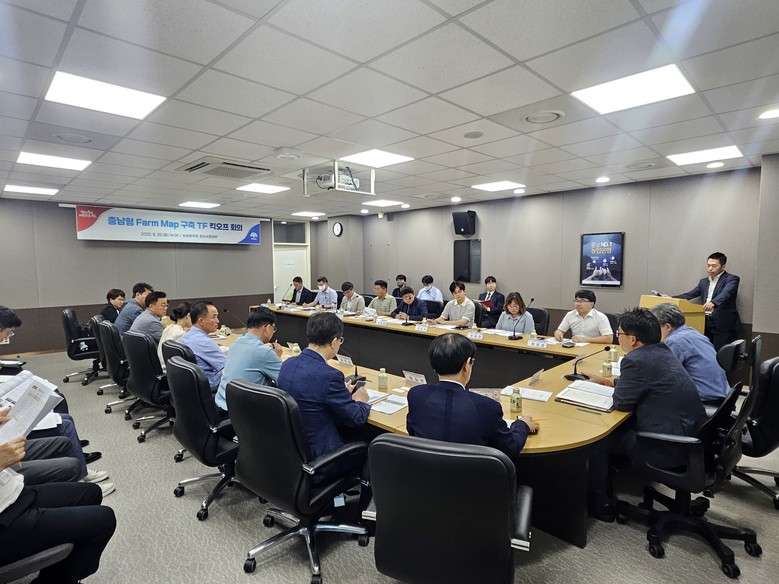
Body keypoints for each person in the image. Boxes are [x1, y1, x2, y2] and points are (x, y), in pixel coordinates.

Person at [585, 308, 706, 521]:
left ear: (632, 339)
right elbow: (647, 381)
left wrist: (615, 387)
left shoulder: (636, 360)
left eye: (619, 333)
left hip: (667, 448)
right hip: (691, 437)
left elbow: (622, 404)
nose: (617, 337)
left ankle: (600, 504)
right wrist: (608, 381)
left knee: (597, 441)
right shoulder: (661, 351)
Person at [406, 333, 539, 467]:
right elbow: (510, 449)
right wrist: (522, 425)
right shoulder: (487, 407)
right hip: (471, 478)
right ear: (467, 365)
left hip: (424, 474)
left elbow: (412, 431)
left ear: (433, 365)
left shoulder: (416, 395)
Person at [0, 437, 117, 584]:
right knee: (104, 521)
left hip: (12, 495)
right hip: (6, 519)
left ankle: (55, 576)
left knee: (91, 493)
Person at [276, 313, 370, 469]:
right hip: (321, 458)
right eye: (340, 340)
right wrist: (360, 400)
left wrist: (342, 393)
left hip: (292, 451)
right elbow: (356, 418)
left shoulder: (288, 364)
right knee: (369, 443)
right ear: (334, 342)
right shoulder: (330, 376)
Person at [650, 303, 730, 407]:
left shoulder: (675, 341)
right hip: (723, 398)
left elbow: (662, 376)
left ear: (668, 327)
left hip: (705, 401)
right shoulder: (693, 333)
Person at [216, 308, 283, 416]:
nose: (273, 332)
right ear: (267, 327)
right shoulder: (264, 352)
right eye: (273, 328)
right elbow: (285, 380)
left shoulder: (235, 343)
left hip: (221, 403)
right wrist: (277, 357)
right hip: (242, 414)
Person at [671, 252, 741, 350]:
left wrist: (713, 303)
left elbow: (726, 293)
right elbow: (690, 294)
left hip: (723, 323)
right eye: (708, 266)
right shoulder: (704, 281)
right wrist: (671, 298)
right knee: (705, 349)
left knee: (721, 352)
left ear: (723, 266)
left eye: (714, 266)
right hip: (704, 320)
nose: (710, 269)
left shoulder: (732, 279)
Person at [179, 302, 226, 390]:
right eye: (214, 317)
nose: (218, 321)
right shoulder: (204, 342)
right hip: (211, 385)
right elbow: (227, 366)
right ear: (201, 321)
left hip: (192, 386)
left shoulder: (186, 336)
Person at [157, 301, 191, 368]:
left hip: (163, 366)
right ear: (188, 316)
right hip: (171, 369)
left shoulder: (168, 329)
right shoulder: (181, 334)